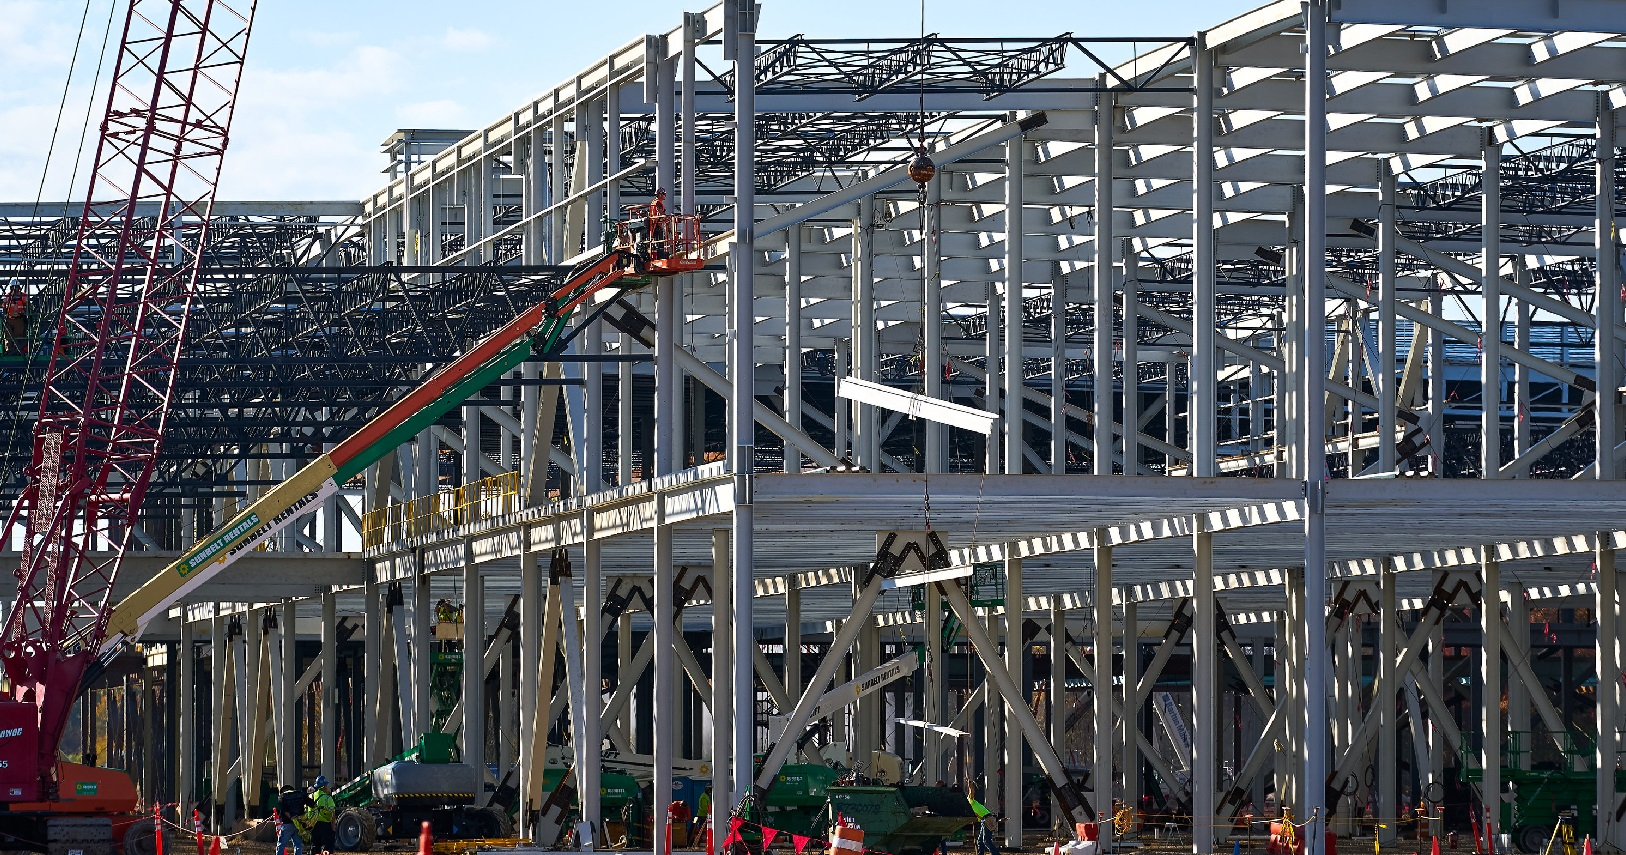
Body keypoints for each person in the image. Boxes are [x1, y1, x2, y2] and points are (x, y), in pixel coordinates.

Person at [276, 785, 310, 855]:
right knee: (298, 844)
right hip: (299, 824)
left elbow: (284, 810)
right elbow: (311, 804)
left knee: (281, 844)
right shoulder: (300, 794)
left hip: (287, 824)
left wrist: (291, 817)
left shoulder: (282, 797)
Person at [306, 776, 336, 853]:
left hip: (313, 825)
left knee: (315, 846)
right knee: (327, 847)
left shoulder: (310, 796)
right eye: (326, 785)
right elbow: (332, 813)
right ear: (323, 786)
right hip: (325, 825)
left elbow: (306, 810)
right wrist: (333, 826)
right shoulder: (328, 798)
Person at [3, 280, 25, 354]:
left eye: (16, 287)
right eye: (13, 287)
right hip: (9, 319)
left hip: (19, 319)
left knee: (19, 336)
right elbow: (4, 307)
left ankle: (18, 351)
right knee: (8, 337)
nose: (15, 289)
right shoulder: (7, 297)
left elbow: (28, 306)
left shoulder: (23, 296)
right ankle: (9, 351)